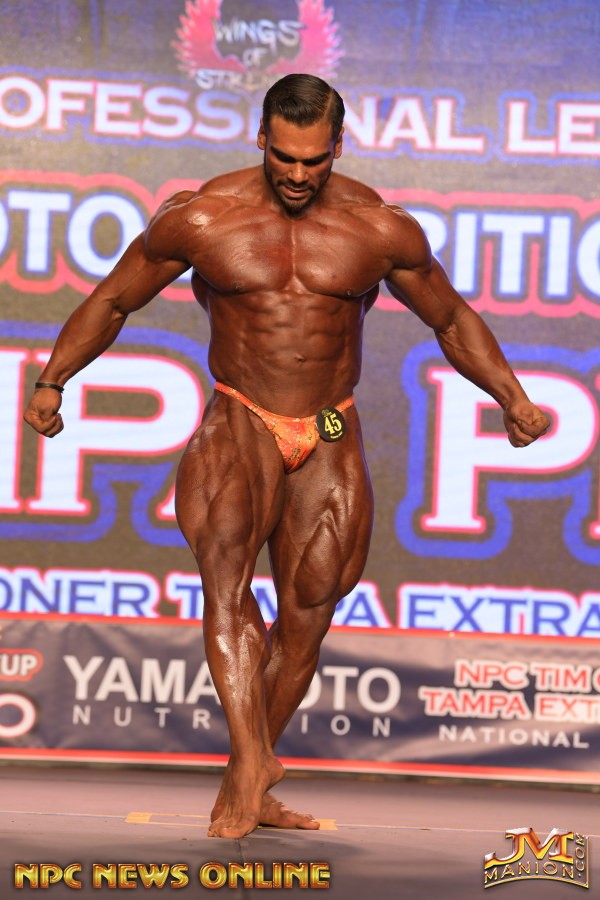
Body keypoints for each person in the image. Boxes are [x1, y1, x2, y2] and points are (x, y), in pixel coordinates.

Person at [24, 74, 549, 839]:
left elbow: (450, 317)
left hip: (330, 424)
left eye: (314, 160)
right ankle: (252, 762)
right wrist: (53, 380)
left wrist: (511, 396)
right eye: (285, 158)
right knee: (227, 585)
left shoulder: (379, 228)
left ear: (337, 147)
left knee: (309, 610)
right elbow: (113, 299)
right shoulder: (204, 217)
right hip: (241, 412)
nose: (298, 175)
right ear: (261, 139)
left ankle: (249, 779)